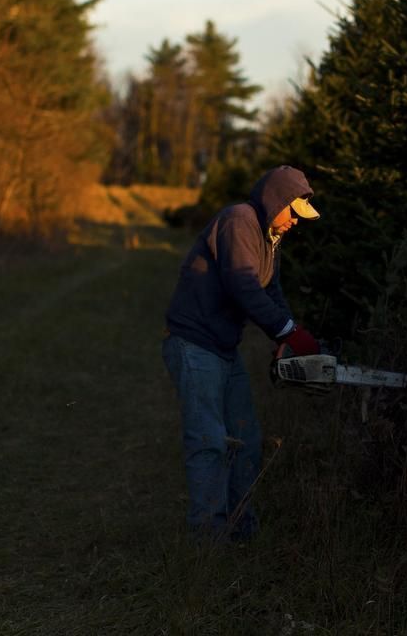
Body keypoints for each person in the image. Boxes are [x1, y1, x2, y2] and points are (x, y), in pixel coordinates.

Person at [161, 164, 320, 541]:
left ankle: (239, 530)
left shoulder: (270, 239)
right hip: (194, 344)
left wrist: (288, 336)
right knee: (209, 441)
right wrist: (287, 331)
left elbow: (270, 293)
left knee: (246, 440)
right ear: (276, 201)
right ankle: (209, 541)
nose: (296, 221)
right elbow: (243, 286)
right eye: (293, 212)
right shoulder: (239, 221)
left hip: (223, 348)